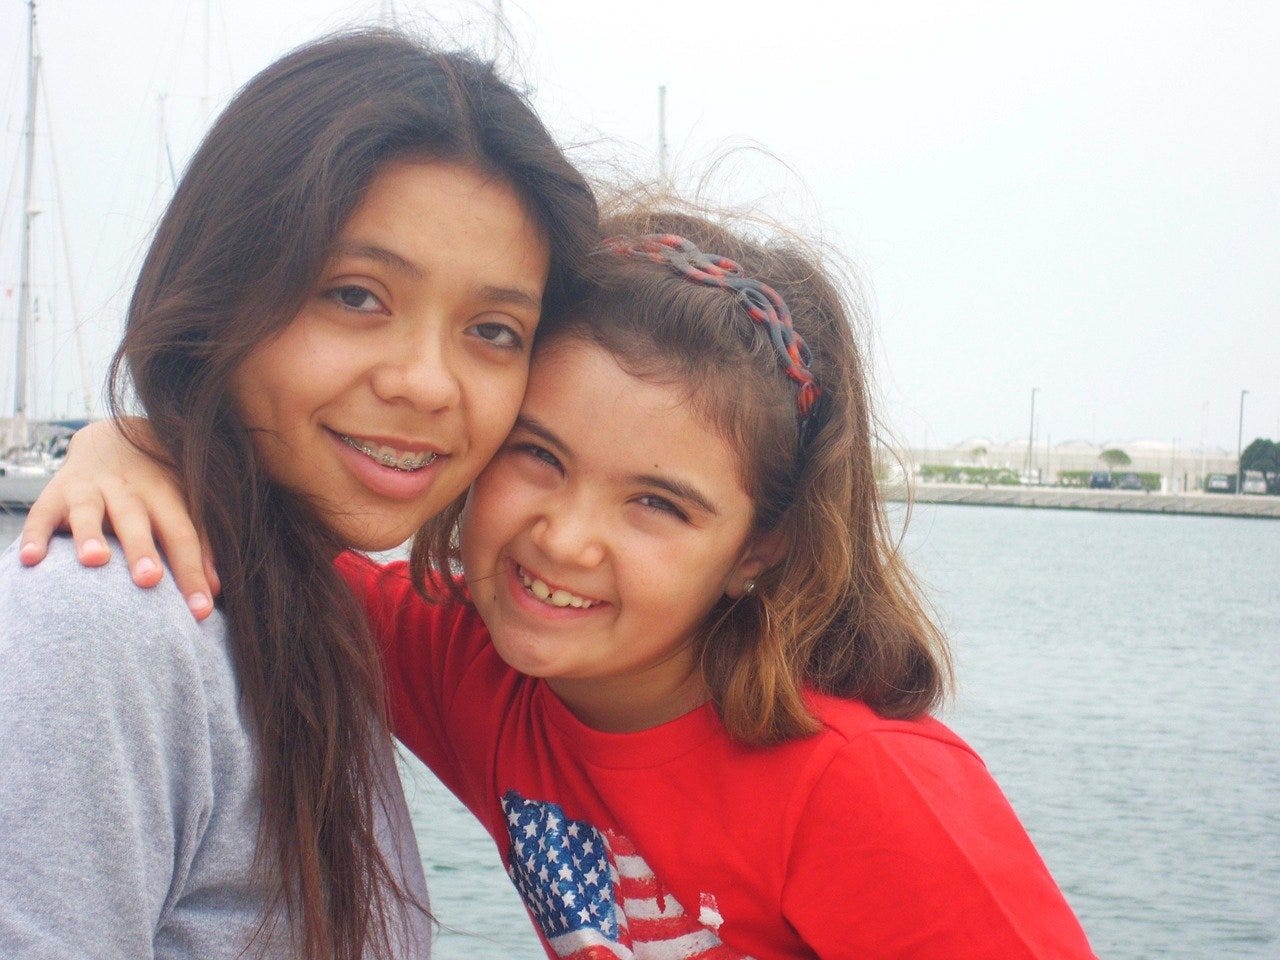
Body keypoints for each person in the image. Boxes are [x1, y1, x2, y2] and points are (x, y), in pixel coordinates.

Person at [22, 208, 1097, 957]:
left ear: (761, 547)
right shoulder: (474, 670)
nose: (565, 540)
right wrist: (130, 443)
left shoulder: (862, 789)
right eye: (536, 455)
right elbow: (271, 547)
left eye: (657, 505)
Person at [0, 27, 598, 960]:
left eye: (492, 328)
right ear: (221, 292)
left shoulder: (311, 613)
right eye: (357, 296)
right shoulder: (112, 621)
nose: (428, 384)